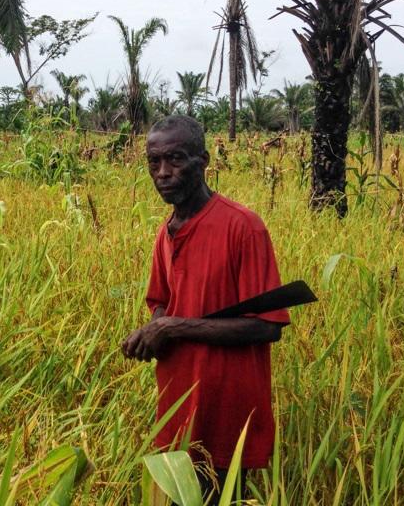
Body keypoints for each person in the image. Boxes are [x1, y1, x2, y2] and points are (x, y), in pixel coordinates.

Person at [121, 115, 290, 504]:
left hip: (227, 413)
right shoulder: (165, 233)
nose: (163, 173)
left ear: (204, 161)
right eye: (154, 162)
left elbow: (268, 327)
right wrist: (150, 332)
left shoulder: (243, 228)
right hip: (177, 407)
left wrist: (173, 328)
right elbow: (161, 303)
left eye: (176, 160)